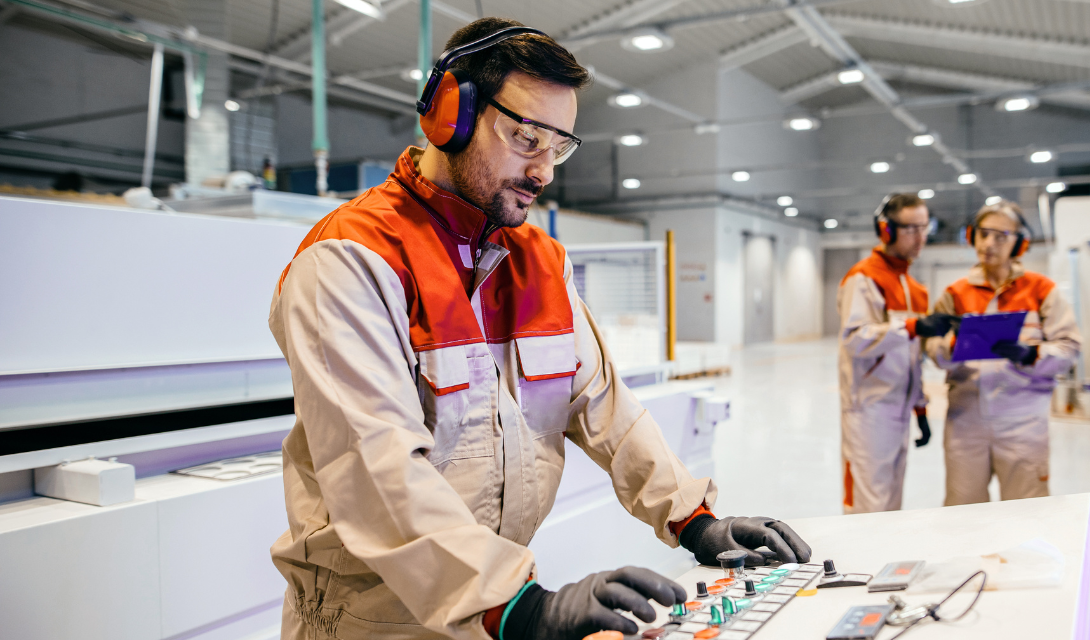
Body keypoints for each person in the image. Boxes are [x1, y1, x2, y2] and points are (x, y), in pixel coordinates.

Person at [268, 18, 810, 640]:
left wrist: (694, 519)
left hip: (485, 606)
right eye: (527, 138)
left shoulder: (539, 262)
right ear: (451, 116)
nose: (545, 172)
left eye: (558, 147)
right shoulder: (351, 261)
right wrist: (518, 604)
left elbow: (604, 408)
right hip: (374, 618)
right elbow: (376, 470)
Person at [925, 201, 1081, 505]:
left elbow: (1070, 347)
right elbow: (933, 351)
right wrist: (951, 345)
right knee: (963, 513)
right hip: (965, 421)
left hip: (1023, 422)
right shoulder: (955, 294)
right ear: (972, 236)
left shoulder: (1041, 290)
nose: (988, 244)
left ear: (1019, 244)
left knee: (1026, 510)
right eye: (983, 234)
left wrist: (1030, 355)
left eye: (1000, 236)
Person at [837, 193, 958, 514]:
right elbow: (854, 339)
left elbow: (912, 358)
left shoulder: (915, 288)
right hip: (868, 411)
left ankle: (884, 565)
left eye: (925, 227)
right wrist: (913, 326)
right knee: (867, 506)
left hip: (900, 410)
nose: (921, 238)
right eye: (910, 229)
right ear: (886, 230)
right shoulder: (863, 278)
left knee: (891, 504)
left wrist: (920, 408)